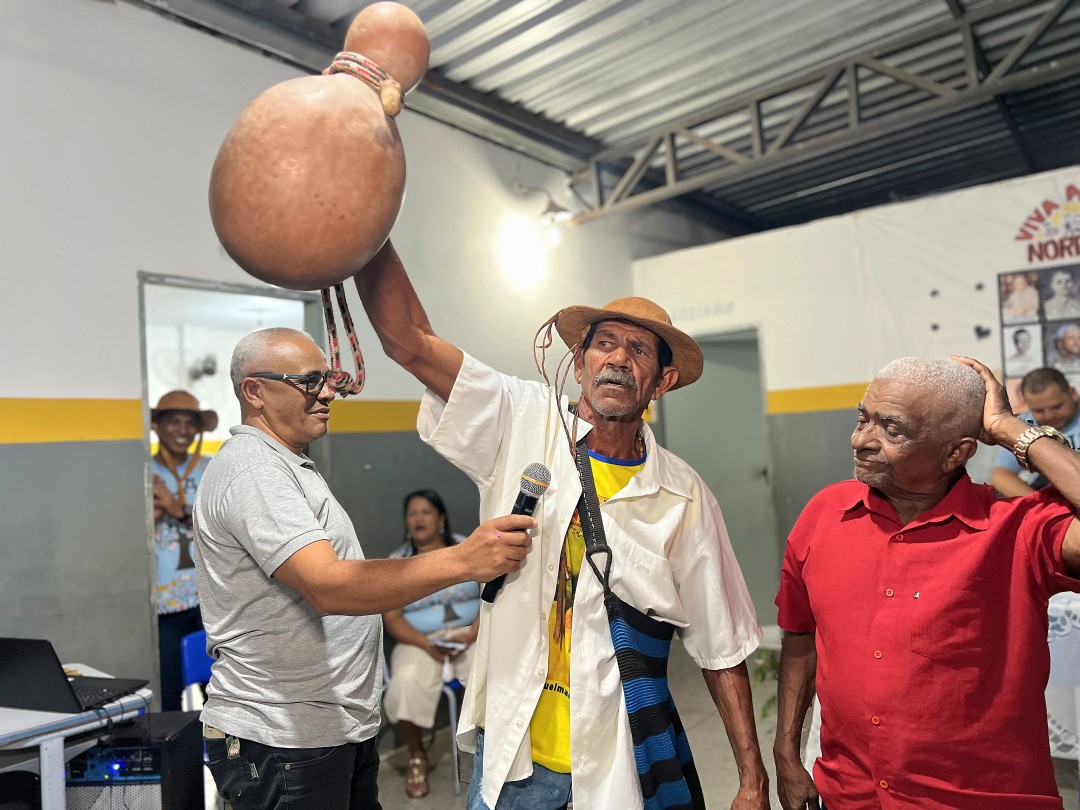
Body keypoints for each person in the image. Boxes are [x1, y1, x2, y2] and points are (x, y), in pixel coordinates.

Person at [354, 242, 768, 810]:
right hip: (517, 755)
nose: (618, 359)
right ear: (578, 364)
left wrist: (752, 779)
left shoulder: (683, 496)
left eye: (638, 350)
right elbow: (410, 340)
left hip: (621, 762)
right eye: (604, 343)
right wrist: (366, 233)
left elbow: (722, 645)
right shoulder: (520, 419)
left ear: (662, 380)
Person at [192, 327, 535, 810]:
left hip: (330, 727)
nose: (328, 393)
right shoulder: (254, 471)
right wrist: (464, 560)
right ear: (255, 391)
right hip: (285, 738)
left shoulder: (287, 465)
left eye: (328, 379)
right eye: (309, 381)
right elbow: (328, 586)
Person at [773, 356, 1080, 810]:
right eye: (862, 419)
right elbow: (800, 637)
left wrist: (1008, 428)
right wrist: (786, 753)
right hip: (851, 794)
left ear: (955, 453)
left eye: (892, 430)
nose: (861, 440)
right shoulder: (824, 512)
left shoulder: (1017, 530)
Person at [383, 489, 482, 798]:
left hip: (470, 635)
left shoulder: (467, 548)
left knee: (493, 672)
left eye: (425, 512)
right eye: (412, 513)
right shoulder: (396, 562)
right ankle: (417, 755)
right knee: (404, 683)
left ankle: (489, 752)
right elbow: (392, 617)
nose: (418, 518)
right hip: (419, 641)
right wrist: (426, 644)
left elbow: (493, 597)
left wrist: (473, 633)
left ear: (440, 518)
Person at [150, 389, 217, 712]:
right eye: (173, 422)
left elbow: (226, 523)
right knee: (169, 690)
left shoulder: (212, 469)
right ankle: (181, 748)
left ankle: (223, 747)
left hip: (211, 598)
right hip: (165, 602)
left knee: (220, 690)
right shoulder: (144, 472)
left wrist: (178, 510)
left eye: (190, 423)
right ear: (157, 426)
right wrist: (151, 515)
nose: (183, 430)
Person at [992, 367, 1080, 497]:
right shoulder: (1023, 425)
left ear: (1072, 394)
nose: (1049, 416)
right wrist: (1042, 505)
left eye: (1056, 407)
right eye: (1039, 411)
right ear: (1028, 405)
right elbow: (1001, 476)